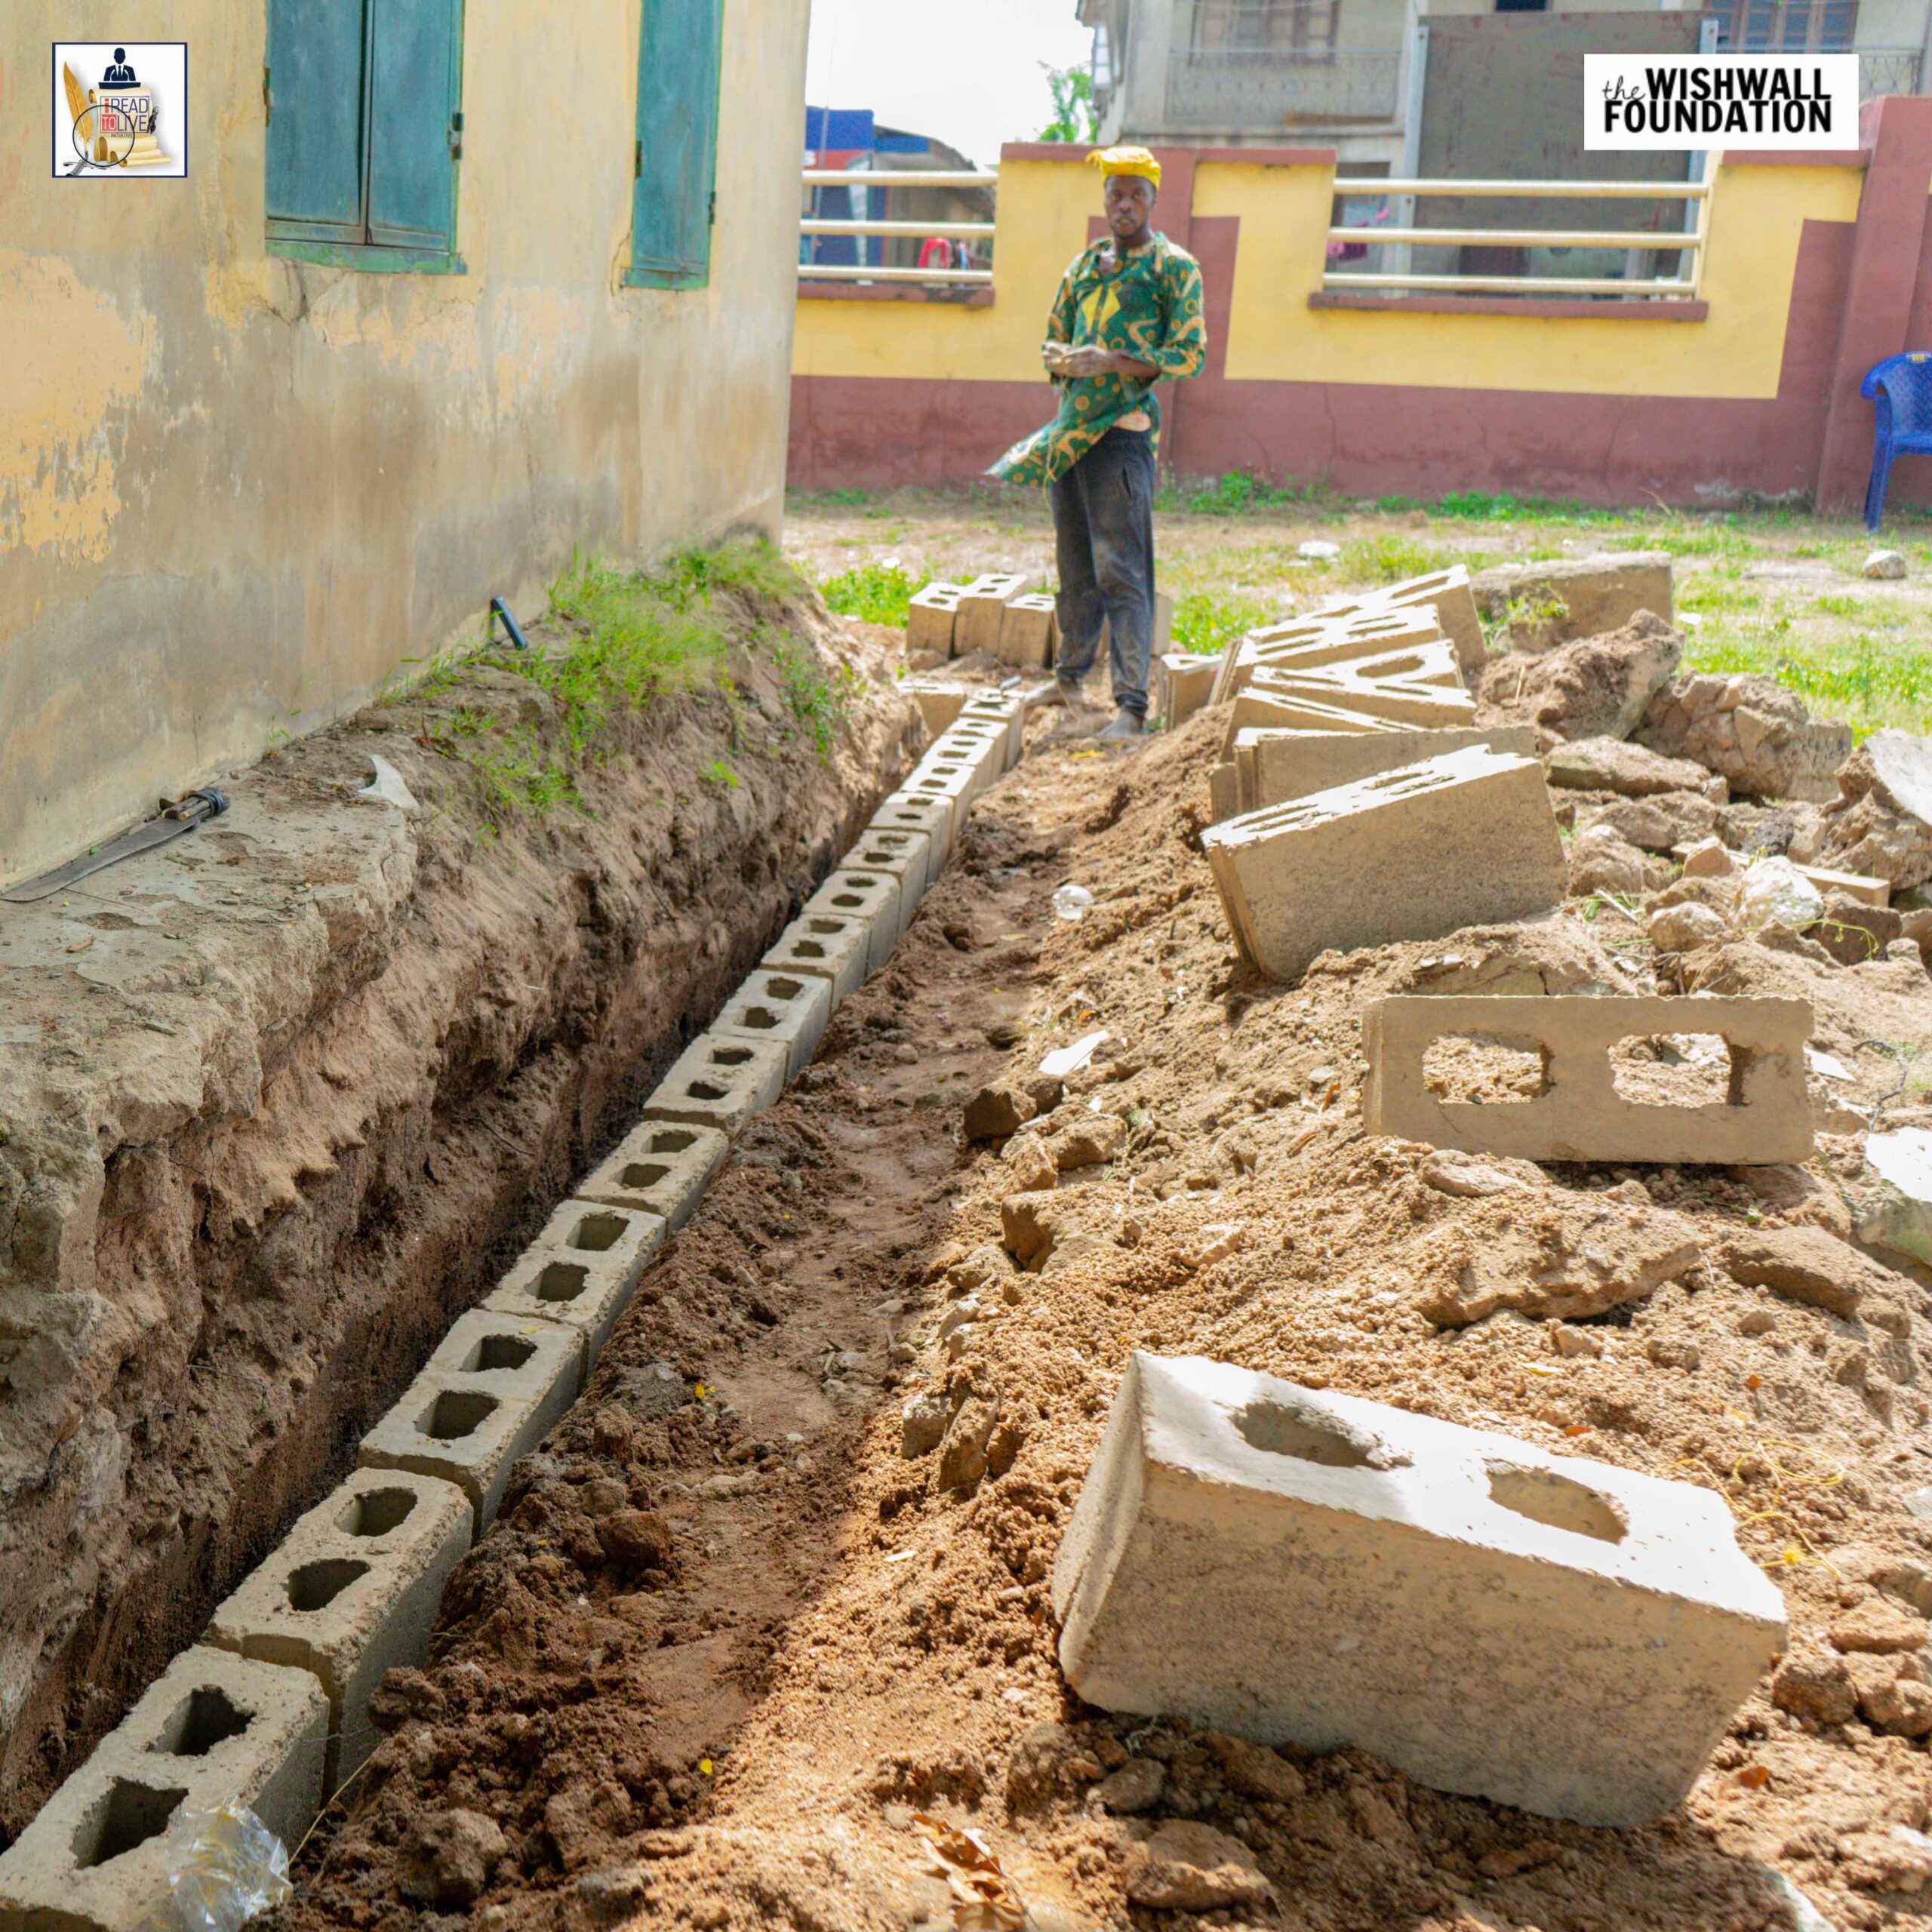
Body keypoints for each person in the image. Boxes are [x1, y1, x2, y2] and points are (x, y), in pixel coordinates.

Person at [989, 146, 1206, 742]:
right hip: (1070, 437)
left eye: (1137, 194)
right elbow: (1051, 339)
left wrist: (1111, 360)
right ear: (1104, 201)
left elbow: (1189, 354)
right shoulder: (1085, 267)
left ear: (1154, 200)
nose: (1126, 204)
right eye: (1116, 194)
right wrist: (1066, 362)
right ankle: (1068, 679)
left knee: (1122, 571)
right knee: (1076, 566)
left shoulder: (1173, 268)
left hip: (1122, 437)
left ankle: (1133, 708)